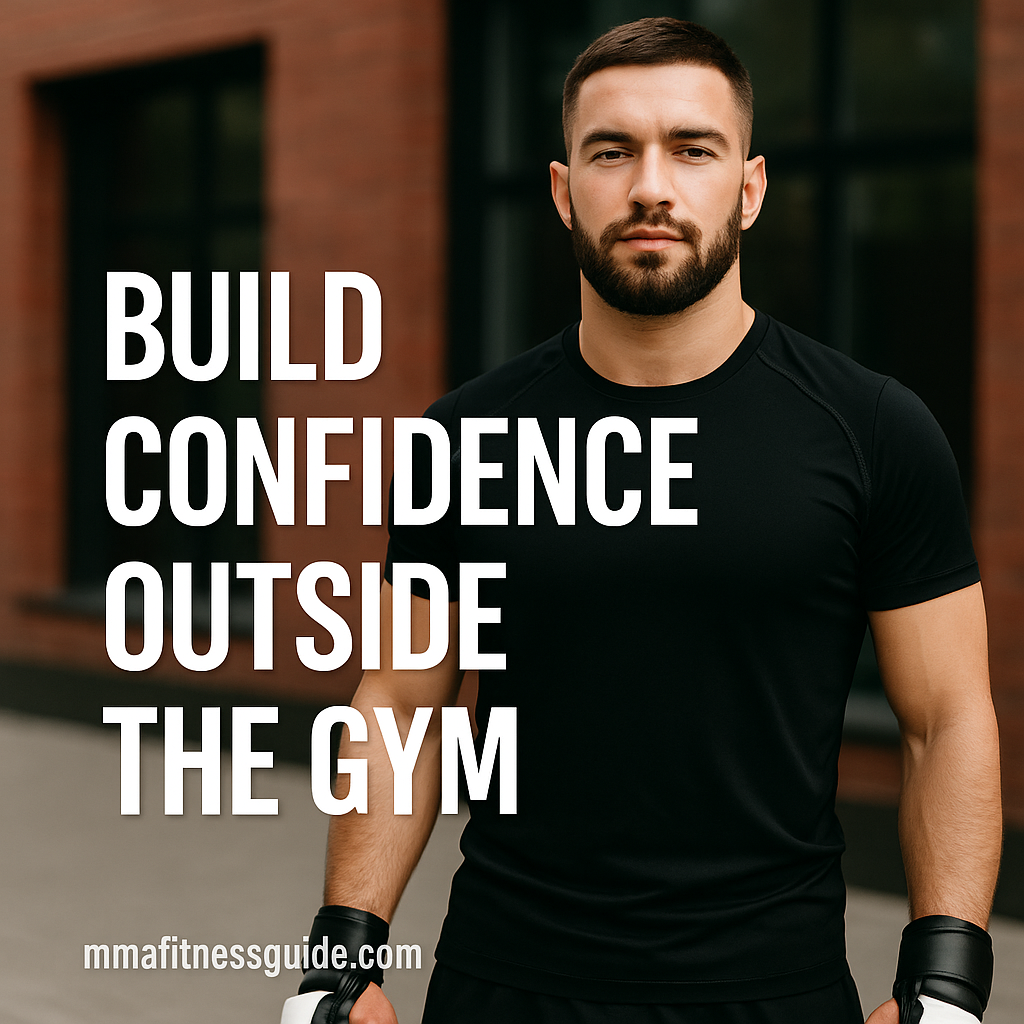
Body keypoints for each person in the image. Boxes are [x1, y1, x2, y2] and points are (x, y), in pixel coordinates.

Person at [282, 17, 1001, 1024]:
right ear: (561, 187)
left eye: (691, 149)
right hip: (504, 988)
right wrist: (339, 963)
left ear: (747, 188)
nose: (650, 186)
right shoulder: (467, 434)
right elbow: (402, 701)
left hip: (771, 993)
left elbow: (946, 718)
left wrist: (945, 985)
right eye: (610, 151)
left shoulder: (875, 431)